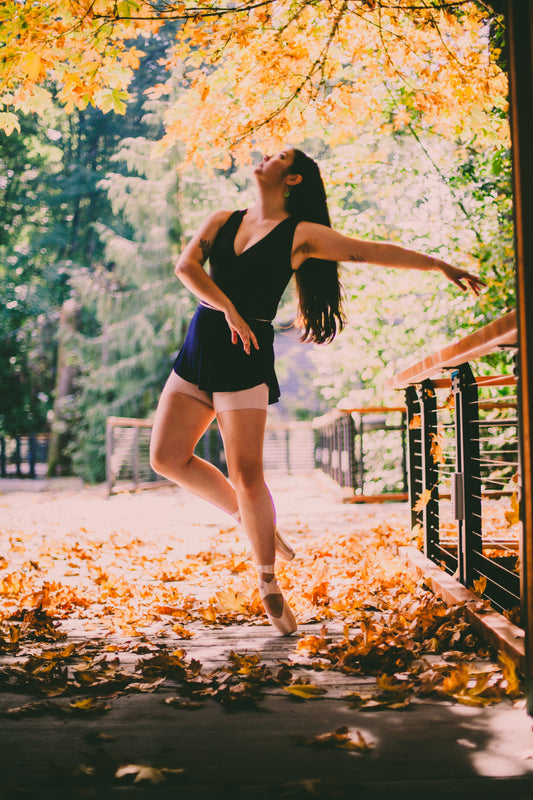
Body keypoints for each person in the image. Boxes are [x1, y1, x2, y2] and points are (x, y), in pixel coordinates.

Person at [150, 147, 484, 636]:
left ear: (294, 179)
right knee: (166, 457)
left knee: (247, 475)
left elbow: (369, 251)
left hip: (245, 356)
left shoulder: (300, 235)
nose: (265, 156)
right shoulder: (222, 220)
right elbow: (187, 268)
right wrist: (228, 310)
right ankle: (256, 524)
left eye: (279, 156)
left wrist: (437, 265)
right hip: (200, 346)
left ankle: (268, 582)